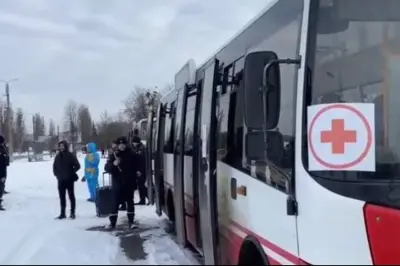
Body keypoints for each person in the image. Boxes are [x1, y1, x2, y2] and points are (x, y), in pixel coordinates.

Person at [104, 136, 137, 230]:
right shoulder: (114, 155)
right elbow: (107, 168)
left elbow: (137, 166)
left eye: (123, 144)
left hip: (128, 182)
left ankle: (131, 222)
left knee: (130, 202)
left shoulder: (132, 154)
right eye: (120, 144)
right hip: (117, 183)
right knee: (115, 203)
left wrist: (136, 175)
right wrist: (114, 164)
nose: (122, 146)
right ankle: (112, 223)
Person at [53, 140, 81, 219]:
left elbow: (78, 165)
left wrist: (71, 172)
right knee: (62, 197)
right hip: (60, 180)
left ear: (65, 146)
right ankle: (62, 213)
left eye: (63, 146)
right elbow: (54, 166)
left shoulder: (70, 155)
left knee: (71, 196)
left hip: (69, 180)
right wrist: (56, 174)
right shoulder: (57, 156)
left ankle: (72, 213)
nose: (61, 147)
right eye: (60, 146)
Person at [132, 130, 147, 205]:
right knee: (140, 185)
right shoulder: (138, 148)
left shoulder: (140, 149)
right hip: (139, 170)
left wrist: (140, 170)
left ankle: (143, 200)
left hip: (141, 170)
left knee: (141, 185)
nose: (133, 144)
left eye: (133, 142)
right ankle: (142, 199)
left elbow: (141, 161)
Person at [0, 135, 10, 211]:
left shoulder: (3, 148)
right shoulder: (1, 149)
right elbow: (2, 161)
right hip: (1, 170)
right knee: (1, 186)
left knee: (1, 186)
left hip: (3, 169)